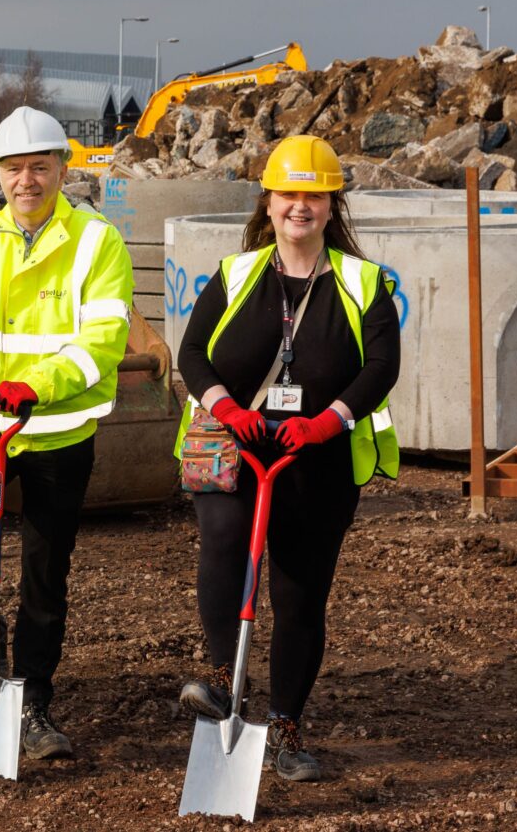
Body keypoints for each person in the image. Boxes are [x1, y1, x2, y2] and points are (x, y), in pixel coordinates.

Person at [173, 134, 400, 781]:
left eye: (313, 195)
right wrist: (228, 408)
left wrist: (328, 422)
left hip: (317, 456)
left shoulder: (363, 283)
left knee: (300, 593)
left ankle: (286, 728)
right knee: (222, 539)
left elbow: (382, 367)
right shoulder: (236, 274)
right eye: (287, 193)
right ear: (267, 202)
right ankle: (222, 679)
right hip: (230, 442)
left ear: (331, 206)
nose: (299, 205)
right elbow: (193, 355)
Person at [0, 106, 135, 760]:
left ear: (62, 170)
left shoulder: (99, 242)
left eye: (39, 167)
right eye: (14, 169)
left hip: (60, 428)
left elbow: (102, 340)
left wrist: (34, 387)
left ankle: (34, 701)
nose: (27, 180)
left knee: (47, 568)